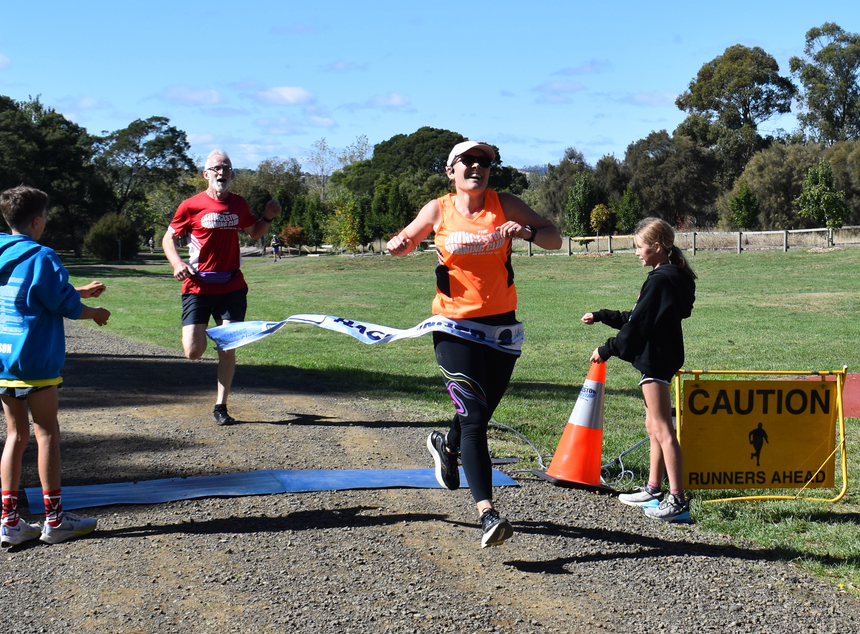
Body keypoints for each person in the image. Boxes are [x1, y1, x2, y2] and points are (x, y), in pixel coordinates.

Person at [387, 140, 562, 547]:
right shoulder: (438, 209)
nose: (476, 167)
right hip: (453, 327)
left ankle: (446, 446)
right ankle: (488, 514)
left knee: (476, 411)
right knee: (476, 417)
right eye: (467, 161)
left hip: (501, 330)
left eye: (484, 162)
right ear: (451, 171)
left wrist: (527, 231)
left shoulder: (506, 204)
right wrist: (399, 245)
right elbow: (408, 239)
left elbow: (554, 238)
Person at [0, 186, 111, 547]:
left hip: (4, 361)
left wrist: (75, 289)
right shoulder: (43, 255)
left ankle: (10, 522)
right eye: (45, 217)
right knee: (47, 432)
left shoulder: (3, 251)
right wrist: (94, 313)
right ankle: (54, 520)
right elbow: (59, 304)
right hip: (35, 361)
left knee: (15, 436)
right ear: (36, 221)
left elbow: (30, 292)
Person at [581, 217, 696, 523]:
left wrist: (606, 350)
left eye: (639, 246)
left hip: (656, 360)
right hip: (662, 357)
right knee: (653, 426)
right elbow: (638, 316)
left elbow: (638, 326)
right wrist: (603, 315)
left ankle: (677, 501)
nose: (636, 253)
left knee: (662, 429)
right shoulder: (670, 277)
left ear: (657, 247)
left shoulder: (660, 280)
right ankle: (654, 489)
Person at [162, 149, 281, 426]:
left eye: (226, 168)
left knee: (227, 347)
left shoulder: (238, 204)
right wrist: (177, 263)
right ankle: (206, 334)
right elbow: (169, 238)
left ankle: (221, 406)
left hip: (231, 285)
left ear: (232, 174)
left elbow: (254, 232)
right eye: (216, 168)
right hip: (197, 285)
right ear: (206, 174)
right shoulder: (190, 205)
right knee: (192, 351)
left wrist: (267, 217)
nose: (221, 173)